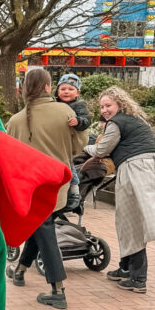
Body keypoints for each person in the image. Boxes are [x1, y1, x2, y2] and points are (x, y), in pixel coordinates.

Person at [5, 68, 88, 308]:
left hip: (29, 187)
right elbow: (78, 147)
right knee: (41, 225)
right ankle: (20, 271)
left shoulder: (16, 120)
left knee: (42, 227)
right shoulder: (65, 112)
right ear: (48, 87)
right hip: (57, 185)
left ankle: (58, 289)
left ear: (24, 89)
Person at [82, 86, 155, 292]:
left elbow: (103, 149)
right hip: (152, 169)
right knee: (128, 220)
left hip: (135, 170)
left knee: (132, 222)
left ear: (119, 104)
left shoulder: (116, 122)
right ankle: (125, 267)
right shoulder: (137, 120)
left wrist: (86, 147)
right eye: (102, 106)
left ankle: (138, 278)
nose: (104, 110)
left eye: (108, 105)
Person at [55, 73, 92, 209]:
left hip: (69, 142)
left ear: (77, 92)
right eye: (63, 89)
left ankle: (75, 189)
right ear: (57, 91)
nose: (66, 92)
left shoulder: (78, 105)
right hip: (57, 140)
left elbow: (87, 120)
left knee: (68, 164)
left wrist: (78, 122)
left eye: (70, 89)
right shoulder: (54, 104)